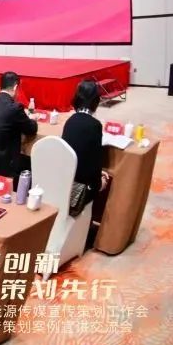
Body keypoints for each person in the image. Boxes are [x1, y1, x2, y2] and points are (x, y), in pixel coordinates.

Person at [61, 80, 111, 234]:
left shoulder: (70, 121)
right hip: (79, 190)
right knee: (105, 181)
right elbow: (94, 162)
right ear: (96, 100)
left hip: (65, 182)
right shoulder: (95, 125)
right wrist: (100, 182)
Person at [0, 71, 38, 182]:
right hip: (5, 166)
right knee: (33, 163)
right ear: (15, 87)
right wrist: (32, 119)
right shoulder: (15, 108)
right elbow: (31, 129)